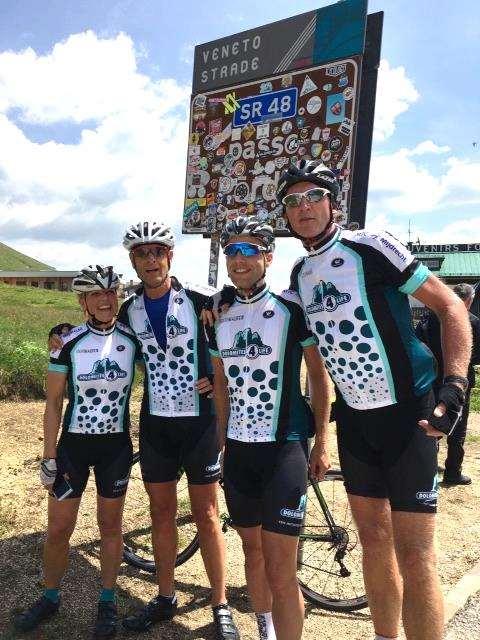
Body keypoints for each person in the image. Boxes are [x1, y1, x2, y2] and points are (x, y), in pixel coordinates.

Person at [276, 159, 472, 640]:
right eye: (293, 200)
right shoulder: (300, 272)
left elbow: (449, 306)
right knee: (373, 541)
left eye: (313, 196)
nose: (304, 207)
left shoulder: (372, 247)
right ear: (285, 215)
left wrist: (455, 385)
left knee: (415, 552)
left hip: (410, 415)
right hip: (357, 424)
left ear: (332, 202)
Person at [47, 224, 239, 639]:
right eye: (141, 254)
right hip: (156, 427)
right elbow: (97, 335)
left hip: (198, 424)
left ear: (170, 256)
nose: (150, 260)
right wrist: (60, 332)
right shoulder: (128, 311)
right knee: (160, 513)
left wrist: (213, 380)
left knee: (206, 515)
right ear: (133, 261)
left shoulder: (202, 303)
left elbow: (228, 348)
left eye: (157, 252)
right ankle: (166, 595)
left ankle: (220, 602)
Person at [207, 216, 331, 640]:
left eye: (248, 250)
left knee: (282, 570)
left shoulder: (291, 308)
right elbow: (220, 387)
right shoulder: (219, 315)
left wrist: (323, 442)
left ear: (267, 256)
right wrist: (222, 442)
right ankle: (265, 628)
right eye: (231, 252)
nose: (238, 259)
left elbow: (317, 376)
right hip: (240, 452)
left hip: (285, 447)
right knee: (252, 551)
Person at [14, 266, 141, 638]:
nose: (105, 300)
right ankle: (50, 597)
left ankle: (107, 600)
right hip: (73, 448)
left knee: (110, 527)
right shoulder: (67, 343)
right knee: (58, 528)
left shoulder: (133, 340)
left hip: (115, 447)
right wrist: (49, 455)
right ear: (82, 301)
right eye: (96, 295)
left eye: (111, 293)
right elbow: (53, 402)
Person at [416, 283, 480, 484]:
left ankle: (428, 468)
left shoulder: (429, 319)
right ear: (469, 300)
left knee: (431, 421)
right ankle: (453, 472)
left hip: (431, 377)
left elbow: (418, 346)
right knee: (458, 426)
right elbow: (477, 355)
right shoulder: (474, 322)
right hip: (459, 380)